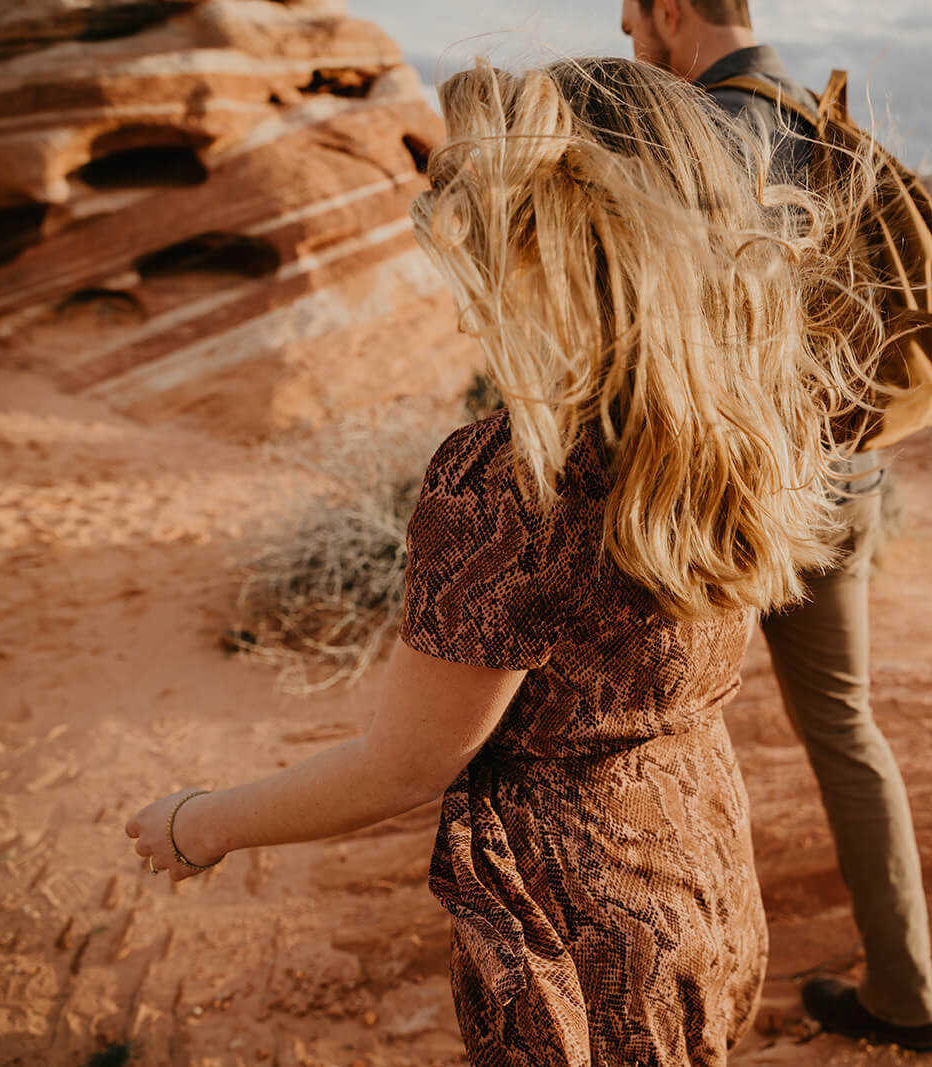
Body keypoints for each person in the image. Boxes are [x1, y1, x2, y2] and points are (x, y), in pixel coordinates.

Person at [126, 56, 883, 1066]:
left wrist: (199, 821)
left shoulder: (505, 480)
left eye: (488, 229)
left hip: (564, 949)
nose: (461, 270)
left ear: (553, 246)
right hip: (702, 886)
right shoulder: (742, 418)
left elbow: (404, 761)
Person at [621, 0, 932, 1053]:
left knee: (647, 744)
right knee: (847, 731)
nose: (630, 40)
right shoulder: (818, 121)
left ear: (672, 11)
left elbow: (660, 346)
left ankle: (668, 1015)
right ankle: (906, 997)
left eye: (630, 19)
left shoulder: (697, 136)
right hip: (844, 481)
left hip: (722, 502)